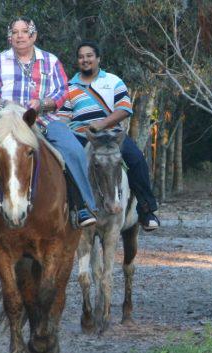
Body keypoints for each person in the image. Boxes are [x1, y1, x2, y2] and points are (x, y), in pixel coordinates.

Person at [0, 17, 97, 232]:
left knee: (74, 150)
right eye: (15, 32)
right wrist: (4, 103)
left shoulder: (50, 61)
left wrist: (42, 104)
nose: (19, 36)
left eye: (24, 31)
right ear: (9, 37)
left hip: (42, 119)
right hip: (3, 121)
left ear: (34, 35)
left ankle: (83, 206)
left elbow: (62, 93)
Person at [58, 41, 160, 231]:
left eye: (89, 56)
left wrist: (101, 124)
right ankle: (75, 210)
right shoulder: (68, 87)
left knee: (137, 160)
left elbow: (124, 109)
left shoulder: (113, 81)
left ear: (98, 59)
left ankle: (146, 211)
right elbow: (63, 118)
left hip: (112, 134)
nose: (85, 60)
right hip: (81, 136)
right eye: (81, 57)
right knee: (65, 164)